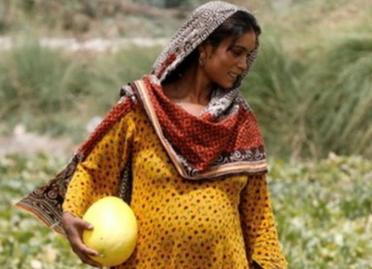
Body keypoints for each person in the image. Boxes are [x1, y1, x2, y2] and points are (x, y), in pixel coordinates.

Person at [16, 1, 288, 268]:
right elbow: (95, 169)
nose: (243, 64)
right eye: (236, 52)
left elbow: (258, 213)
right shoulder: (142, 109)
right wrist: (71, 212)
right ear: (204, 47)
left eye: (247, 55)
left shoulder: (240, 122)